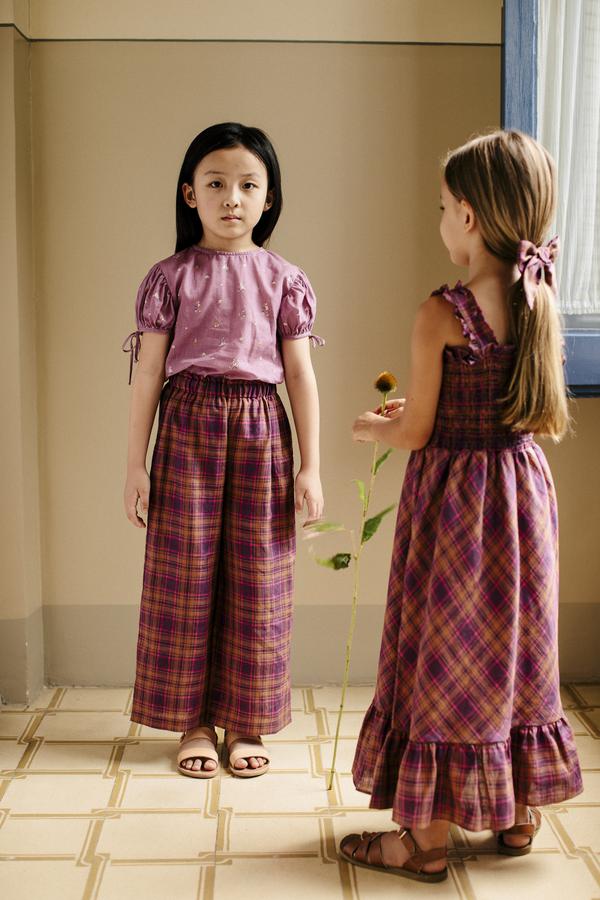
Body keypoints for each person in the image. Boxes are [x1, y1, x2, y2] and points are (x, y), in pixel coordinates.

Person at [340, 129, 582, 883]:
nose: (441, 219)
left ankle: (424, 841)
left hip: (456, 509)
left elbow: (416, 432)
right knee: (517, 647)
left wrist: (371, 427)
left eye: (444, 207)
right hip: (521, 497)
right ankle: (518, 814)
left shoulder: (441, 312)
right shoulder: (538, 297)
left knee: (445, 654)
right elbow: (520, 409)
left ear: (469, 217)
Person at [122, 122, 324, 779]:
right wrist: (134, 464)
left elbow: (300, 376)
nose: (231, 197)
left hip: (262, 430)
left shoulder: (284, 279)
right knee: (185, 577)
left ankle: (247, 720)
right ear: (190, 194)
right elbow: (148, 374)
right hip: (186, 429)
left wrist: (311, 465)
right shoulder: (170, 277)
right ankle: (194, 722)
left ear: (269, 198)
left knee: (259, 578)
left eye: (247, 185)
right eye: (215, 183)